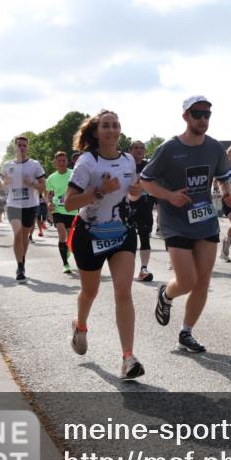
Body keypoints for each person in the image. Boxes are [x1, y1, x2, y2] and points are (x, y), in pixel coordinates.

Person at [139, 95, 231, 353]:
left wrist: (227, 191)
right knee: (187, 280)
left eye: (207, 115)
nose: (203, 119)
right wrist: (169, 195)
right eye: (197, 114)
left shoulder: (214, 147)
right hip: (175, 221)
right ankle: (166, 294)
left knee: (203, 281)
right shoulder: (169, 148)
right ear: (185, 116)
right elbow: (145, 180)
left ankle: (186, 332)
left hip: (205, 221)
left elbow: (223, 177)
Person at [64, 110, 145, 381]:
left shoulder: (128, 160)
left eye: (115, 125)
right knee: (90, 291)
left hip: (122, 232)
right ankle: (80, 325)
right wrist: (100, 191)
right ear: (96, 132)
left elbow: (131, 196)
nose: (112, 130)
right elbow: (69, 203)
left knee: (124, 291)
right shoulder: (87, 162)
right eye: (106, 126)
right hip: (90, 234)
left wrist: (136, 193)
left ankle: (128, 358)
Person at [2, 136, 46, 282]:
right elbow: (3, 185)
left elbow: (43, 186)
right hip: (13, 205)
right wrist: (5, 182)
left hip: (30, 205)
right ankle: (20, 267)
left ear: (27, 147)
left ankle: (22, 260)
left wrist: (31, 183)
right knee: (18, 233)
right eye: (19, 145)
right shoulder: (7, 165)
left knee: (24, 236)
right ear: (14, 147)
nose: (21, 148)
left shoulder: (35, 165)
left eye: (24, 145)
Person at [45, 151, 78, 273]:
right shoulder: (51, 178)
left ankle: (67, 248)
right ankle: (65, 264)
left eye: (64, 160)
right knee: (62, 234)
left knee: (70, 238)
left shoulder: (73, 174)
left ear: (67, 162)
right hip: (58, 210)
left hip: (72, 210)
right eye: (59, 161)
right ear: (55, 163)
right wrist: (49, 203)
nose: (62, 163)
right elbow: (47, 193)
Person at [129, 140, 156, 281]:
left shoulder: (149, 167)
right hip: (127, 207)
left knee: (145, 238)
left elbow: (156, 184)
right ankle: (127, 269)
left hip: (145, 206)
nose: (139, 150)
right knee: (129, 240)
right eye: (135, 148)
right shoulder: (125, 165)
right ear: (130, 151)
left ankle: (143, 269)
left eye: (141, 148)